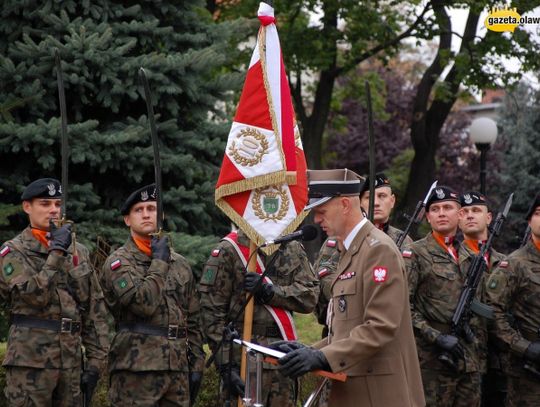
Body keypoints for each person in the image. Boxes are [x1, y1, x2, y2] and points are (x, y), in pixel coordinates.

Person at [272, 168, 424, 407]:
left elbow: (380, 327)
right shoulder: (350, 249)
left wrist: (321, 356)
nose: (316, 220)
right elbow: (347, 329)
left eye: (321, 211)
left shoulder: (377, 249)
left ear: (344, 204)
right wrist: (307, 350)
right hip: (356, 388)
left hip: (378, 394)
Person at [0, 178, 109, 406]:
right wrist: (56, 253)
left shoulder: (78, 251)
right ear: (27, 207)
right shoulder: (12, 251)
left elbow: (94, 309)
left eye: (58, 204)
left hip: (70, 363)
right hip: (30, 363)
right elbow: (33, 296)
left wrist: (96, 361)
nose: (53, 210)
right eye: (45, 203)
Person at [100, 184, 205, 406]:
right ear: (127, 220)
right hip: (136, 370)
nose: (146, 214)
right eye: (139, 210)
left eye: (152, 208)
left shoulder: (180, 263)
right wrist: (158, 262)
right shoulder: (119, 262)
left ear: (162, 215)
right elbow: (142, 304)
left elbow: (193, 319)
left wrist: (196, 364)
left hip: (176, 370)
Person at [199, 225, 318, 406]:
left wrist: (270, 292)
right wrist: (225, 366)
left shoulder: (290, 246)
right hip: (242, 356)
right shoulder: (229, 249)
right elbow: (211, 313)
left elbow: (310, 297)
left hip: (282, 355)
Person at [403, 186, 488, 407]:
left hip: (468, 361)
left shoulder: (472, 256)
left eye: (448, 207)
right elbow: (403, 307)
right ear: (428, 217)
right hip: (432, 362)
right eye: (435, 209)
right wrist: (436, 336)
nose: (441, 212)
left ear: (460, 215)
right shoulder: (415, 254)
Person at [485, 193, 540, 406]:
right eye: (538, 213)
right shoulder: (514, 264)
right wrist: (523, 347)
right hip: (528, 375)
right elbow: (492, 312)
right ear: (529, 220)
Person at [457, 191, 508, 406]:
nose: (470, 215)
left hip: (502, 360)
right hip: (465, 360)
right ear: (458, 219)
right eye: (465, 212)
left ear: (489, 218)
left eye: (476, 211)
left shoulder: (507, 263)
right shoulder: (450, 261)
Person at [359, 172, 413, 246]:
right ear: (359, 203)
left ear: (392, 201)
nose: (375, 203)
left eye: (382, 196)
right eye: (369, 197)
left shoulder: (404, 241)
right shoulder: (349, 237)